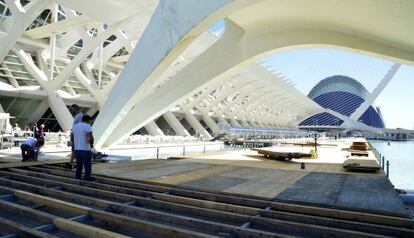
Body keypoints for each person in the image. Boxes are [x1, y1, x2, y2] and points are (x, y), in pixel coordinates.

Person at [72, 115, 94, 181]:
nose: (90, 123)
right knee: (87, 164)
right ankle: (87, 177)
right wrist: (91, 143)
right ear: (88, 120)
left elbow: (72, 137)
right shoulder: (87, 126)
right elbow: (90, 137)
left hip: (77, 149)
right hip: (85, 149)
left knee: (79, 164)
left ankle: (77, 176)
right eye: (90, 121)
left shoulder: (75, 126)